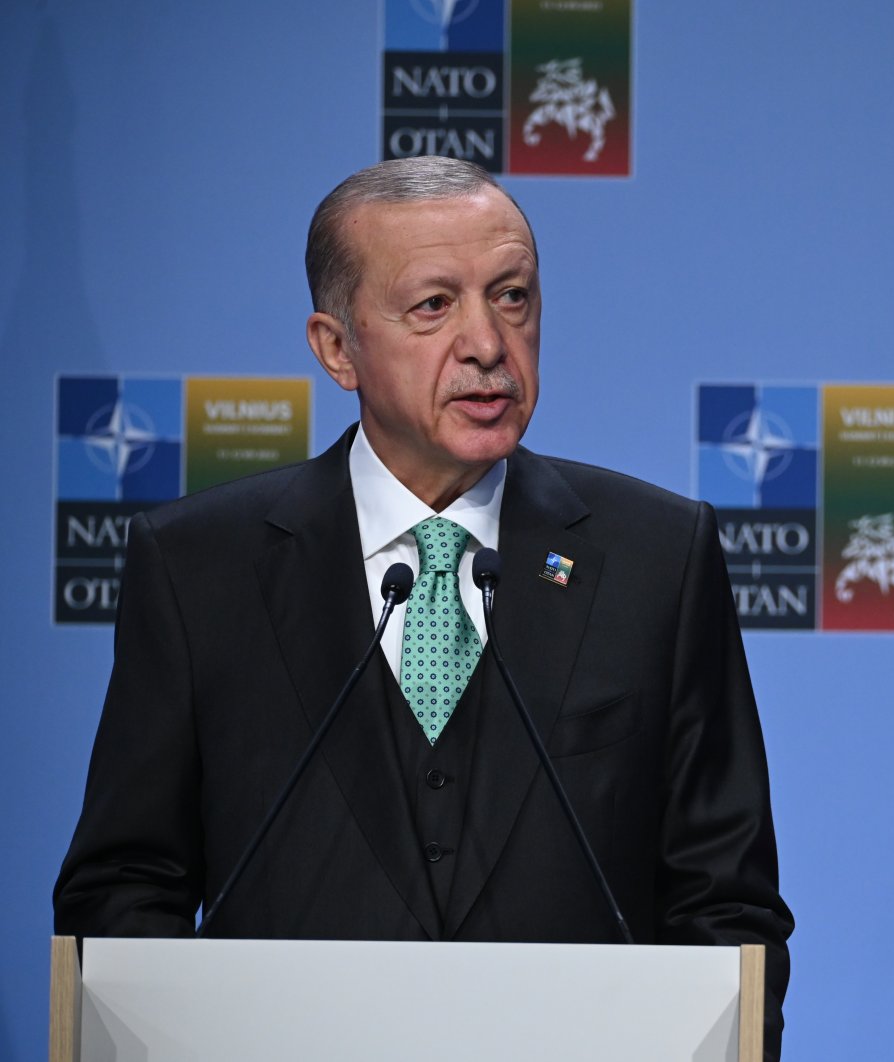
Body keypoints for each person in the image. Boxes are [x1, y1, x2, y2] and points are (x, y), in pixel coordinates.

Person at [54, 156, 793, 1055]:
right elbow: (126, 887)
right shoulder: (200, 567)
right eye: (434, 306)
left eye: (512, 296)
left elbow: (726, 905)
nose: (488, 343)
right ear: (337, 347)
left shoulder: (656, 557)